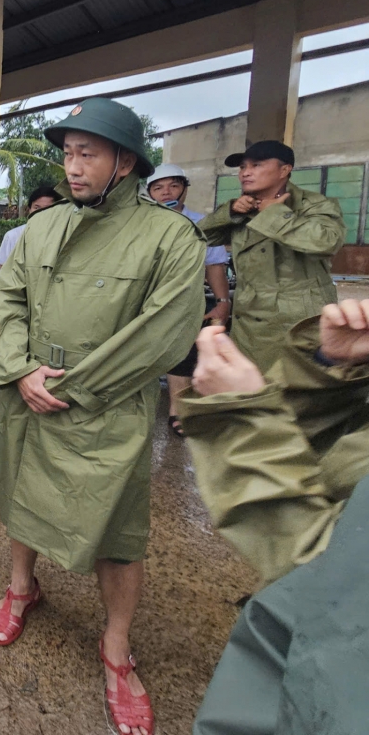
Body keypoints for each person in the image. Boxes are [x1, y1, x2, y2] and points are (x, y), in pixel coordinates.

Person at [0, 97, 206, 735]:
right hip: (30, 393)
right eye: (69, 154)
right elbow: (8, 301)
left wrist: (76, 386)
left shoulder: (169, 235)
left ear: (124, 162)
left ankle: (117, 647)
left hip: (105, 407)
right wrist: (20, 369)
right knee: (23, 497)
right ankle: (23, 588)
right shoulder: (40, 230)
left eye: (88, 154)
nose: (73, 168)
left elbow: (165, 334)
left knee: (117, 530)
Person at [178, 305, 369, 734]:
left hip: (312, 683)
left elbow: (340, 585)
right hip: (290, 638)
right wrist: (329, 367)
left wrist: (244, 415)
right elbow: (335, 459)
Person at [198, 141, 344, 374]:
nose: (245, 172)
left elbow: (326, 241)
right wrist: (231, 212)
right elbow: (198, 235)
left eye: (256, 165)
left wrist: (274, 213)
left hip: (297, 325)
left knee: (297, 390)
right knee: (250, 391)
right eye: (242, 167)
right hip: (248, 323)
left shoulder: (313, 205)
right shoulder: (243, 208)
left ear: (284, 170)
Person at [146, 164, 233, 435]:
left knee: (183, 354)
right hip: (148, 302)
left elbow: (215, 266)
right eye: (158, 188)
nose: (166, 192)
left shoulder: (203, 224)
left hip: (187, 301)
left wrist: (222, 302)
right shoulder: (142, 223)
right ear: (149, 193)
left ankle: (178, 410)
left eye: (172, 186)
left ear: (184, 187)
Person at [0, 185, 60, 272]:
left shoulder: (64, 235)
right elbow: (4, 269)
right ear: (29, 209)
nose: (41, 212)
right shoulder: (13, 236)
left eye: (48, 208)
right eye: (37, 207)